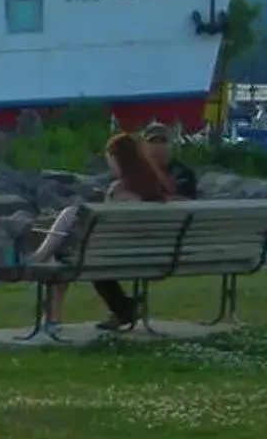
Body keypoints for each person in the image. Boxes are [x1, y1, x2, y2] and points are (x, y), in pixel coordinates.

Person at [25, 130, 177, 330]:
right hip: (151, 255)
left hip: (112, 255)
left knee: (65, 245)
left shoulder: (119, 191)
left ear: (120, 160)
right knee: (71, 244)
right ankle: (123, 309)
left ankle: (51, 315)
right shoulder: (155, 187)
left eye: (110, 160)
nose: (109, 165)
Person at [141, 121, 198, 197]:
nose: (158, 146)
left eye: (163, 141)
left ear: (170, 145)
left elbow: (179, 195)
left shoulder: (183, 173)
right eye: (154, 141)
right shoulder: (137, 172)